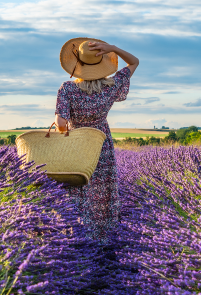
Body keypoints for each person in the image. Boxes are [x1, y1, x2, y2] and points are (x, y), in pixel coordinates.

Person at [54, 37, 139, 243]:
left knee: (77, 189)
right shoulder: (111, 86)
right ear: (102, 63)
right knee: (103, 191)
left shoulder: (68, 89)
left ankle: (77, 238)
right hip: (101, 144)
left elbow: (60, 123)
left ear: (77, 64)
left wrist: (67, 131)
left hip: (76, 146)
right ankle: (104, 239)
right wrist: (113, 49)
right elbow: (134, 62)